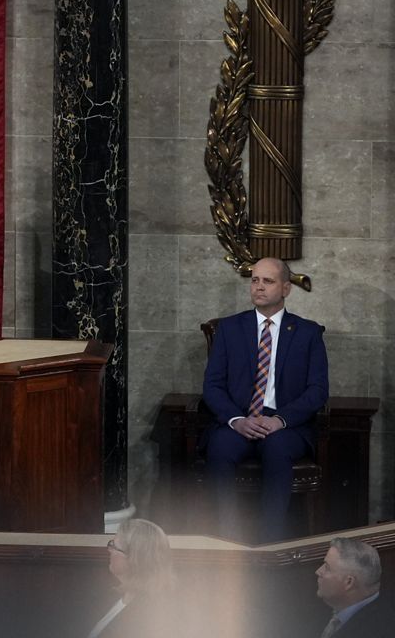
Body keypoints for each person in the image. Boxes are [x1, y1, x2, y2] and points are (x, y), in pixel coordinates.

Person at [202, 256, 328, 542]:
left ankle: (270, 542)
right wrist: (236, 420)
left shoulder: (307, 332)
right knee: (219, 447)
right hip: (240, 418)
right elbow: (212, 385)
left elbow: (318, 390)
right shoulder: (230, 328)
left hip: (285, 423)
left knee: (277, 448)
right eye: (255, 280)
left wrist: (280, 420)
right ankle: (226, 539)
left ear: (286, 288)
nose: (258, 287)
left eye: (268, 281)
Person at [86, 519, 181, 638]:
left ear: (133, 559)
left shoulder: (149, 615)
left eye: (114, 546)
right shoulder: (113, 595)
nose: (109, 550)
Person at [315, 537, 395, 638]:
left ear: (349, 582)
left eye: (327, 567)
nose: (318, 571)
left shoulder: (379, 629)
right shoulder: (334, 608)